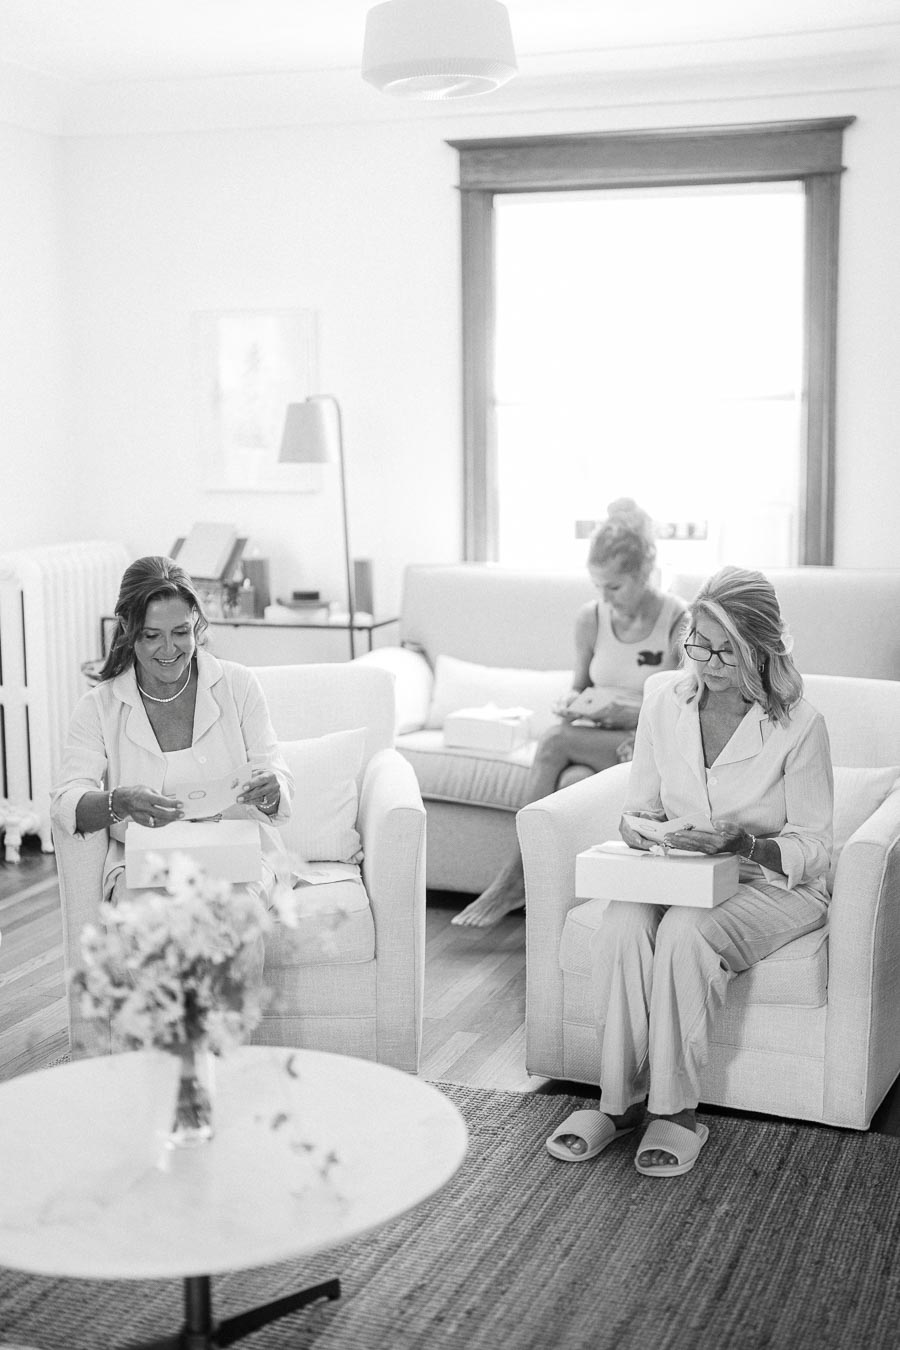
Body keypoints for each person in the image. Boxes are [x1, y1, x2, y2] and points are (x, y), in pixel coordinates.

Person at [545, 566, 833, 1177]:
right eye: (699, 644)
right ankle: (618, 1101)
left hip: (772, 883)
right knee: (623, 924)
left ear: (761, 647)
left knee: (686, 933)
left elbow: (815, 847)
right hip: (677, 873)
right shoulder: (663, 700)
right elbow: (640, 802)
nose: (706, 662)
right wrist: (638, 827)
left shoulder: (800, 723)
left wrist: (748, 844)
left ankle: (676, 1113)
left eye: (726, 650)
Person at [452, 499, 686, 927]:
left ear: (643, 574)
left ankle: (512, 881)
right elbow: (580, 685)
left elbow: (680, 706)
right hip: (598, 735)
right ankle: (525, 882)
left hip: (649, 738)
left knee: (556, 743)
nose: (604, 597)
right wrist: (570, 702)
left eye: (614, 587)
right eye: (597, 586)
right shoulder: (590, 619)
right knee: (559, 742)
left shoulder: (677, 620)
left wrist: (627, 711)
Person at [51, 556, 294, 910]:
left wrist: (269, 792)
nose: (169, 650)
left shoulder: (237, 685)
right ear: (126, 627)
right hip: (147, 863)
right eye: (152, 636)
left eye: (180, 633)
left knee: (234, 911)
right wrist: (119, 802)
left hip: (238, 856)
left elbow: (276, 775)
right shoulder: (99, 706)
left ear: (195, 623)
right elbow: (65, 803)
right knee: (151, 922)